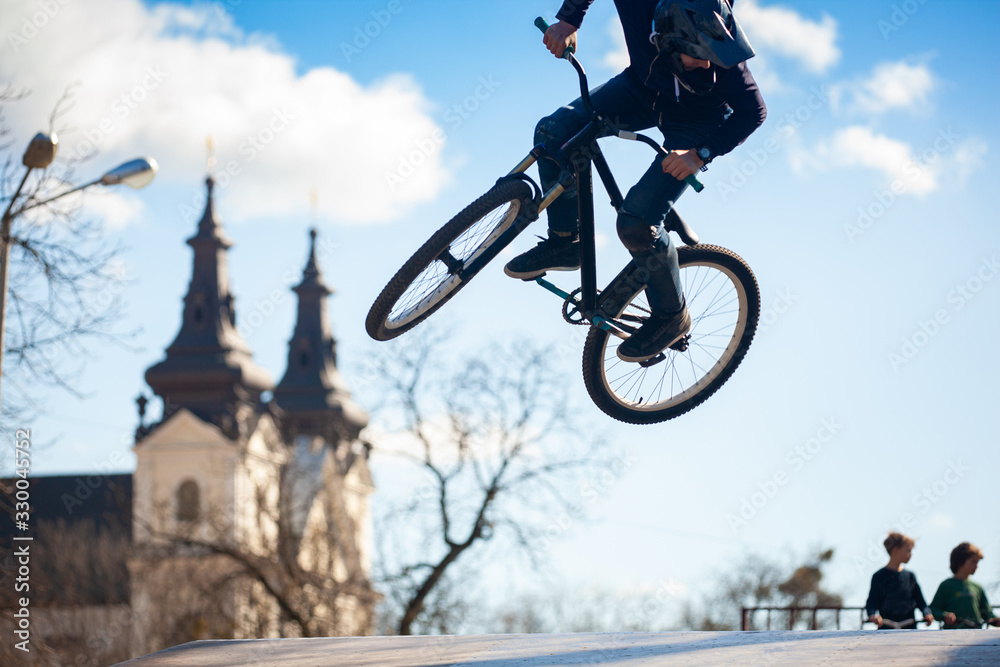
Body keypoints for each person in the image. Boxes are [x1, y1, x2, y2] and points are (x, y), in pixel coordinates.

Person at [504, 0, 766, 362]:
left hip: (698, 122)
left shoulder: (726, 59)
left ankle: (672, 316)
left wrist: (700, 154)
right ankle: (566, 242)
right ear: (666, 39)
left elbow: (754, 112)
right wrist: (568, 20)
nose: (709, 65)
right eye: (698, 56)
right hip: (642, 89)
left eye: (714, 55)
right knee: (554, 132)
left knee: (636, 222)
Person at [864, 532, 934, 629]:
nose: (910, 554)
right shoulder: (878, 576)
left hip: (909, 629)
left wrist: (927, 614)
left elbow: (921, 602)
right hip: (886, 630)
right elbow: (872, 602)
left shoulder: (910, 576)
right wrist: (872, 615)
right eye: (908, 551)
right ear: (895, 550)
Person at [929, 542, 1000, 629]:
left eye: (977, 562)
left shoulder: (977, 587)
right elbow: (933, 609)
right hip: (951, 637)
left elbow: (987, 613)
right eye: (973, 561)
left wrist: (996, 620)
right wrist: (944, 615)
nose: (977, 566)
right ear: (960, 561)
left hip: (975, 636)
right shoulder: (946, 585)